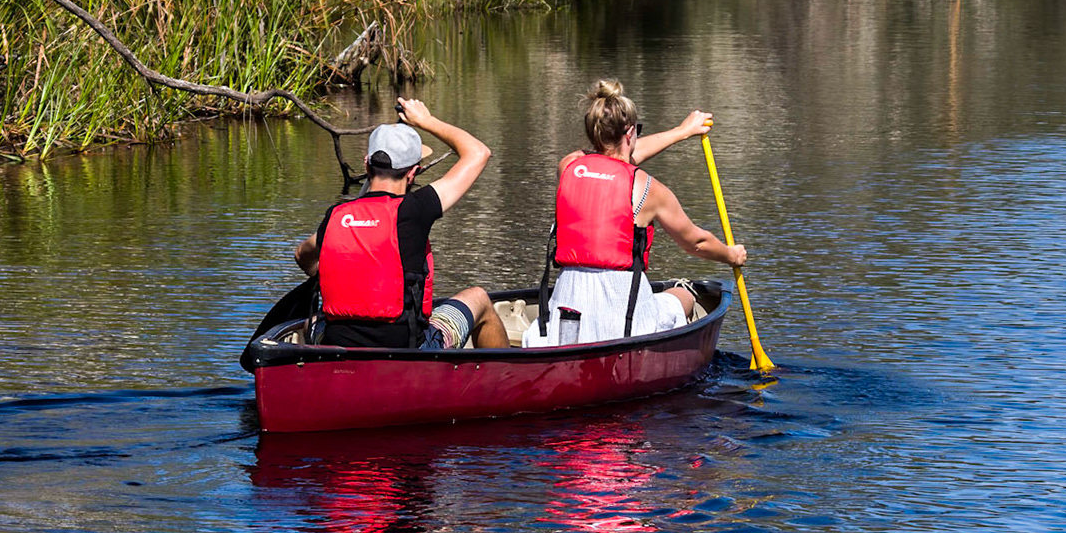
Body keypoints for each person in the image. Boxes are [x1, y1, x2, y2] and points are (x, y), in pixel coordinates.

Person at [529, 80, 748, 346]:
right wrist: (731, 254)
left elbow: (612, 160)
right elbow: (696, 243)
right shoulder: (648, 189)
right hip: (626, 315)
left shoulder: (569, 166)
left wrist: (681, 132)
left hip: (569, 307)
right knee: (683, 296)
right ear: (631, 132)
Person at [295, 98, 511, 350]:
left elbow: (302, 255)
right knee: (479, 298)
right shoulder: (415, 210)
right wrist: (425, 121)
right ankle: (505, 377)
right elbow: (478, 152)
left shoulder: (336, 216)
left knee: (311, 321)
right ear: (413, 173)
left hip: (339, 343)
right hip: (406, 348)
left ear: (367, 164)